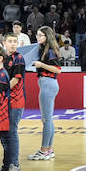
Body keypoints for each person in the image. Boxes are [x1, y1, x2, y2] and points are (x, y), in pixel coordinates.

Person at [28, 26, 62, 162]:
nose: (38, 37)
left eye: (41, 35)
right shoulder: (45, 49)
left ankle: (43, 150)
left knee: (46, 120)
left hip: (48, 83)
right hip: (47, 84)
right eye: (37, 35)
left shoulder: (51, 51)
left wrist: (41, 65)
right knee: (49, 119)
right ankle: (49, 149)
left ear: (47, 36)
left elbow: (58, 70)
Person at [0, 33, 26, 171]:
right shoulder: (3, 58)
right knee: (5, 133)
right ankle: (7, 163)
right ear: (4, 42)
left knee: (12, 132)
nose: (12, 44)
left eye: (15, 41)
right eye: (10, 41)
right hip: (5, 101)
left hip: (15, 101)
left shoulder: (19, 58)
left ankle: (14, 165)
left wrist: (0, 91)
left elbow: (16, 80)